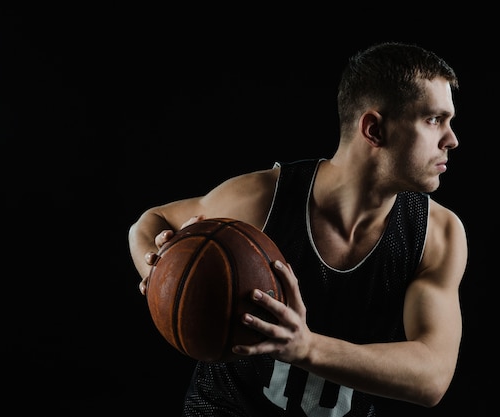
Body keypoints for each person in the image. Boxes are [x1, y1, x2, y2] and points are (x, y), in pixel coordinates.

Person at [128, 41, 468, 416]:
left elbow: (433, 375)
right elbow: (150, 222)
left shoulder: (437, 235)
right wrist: (162, 275)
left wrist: (305, 348)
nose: (451, 139)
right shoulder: (265, 199)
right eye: (434, 120)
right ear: (373, 129)